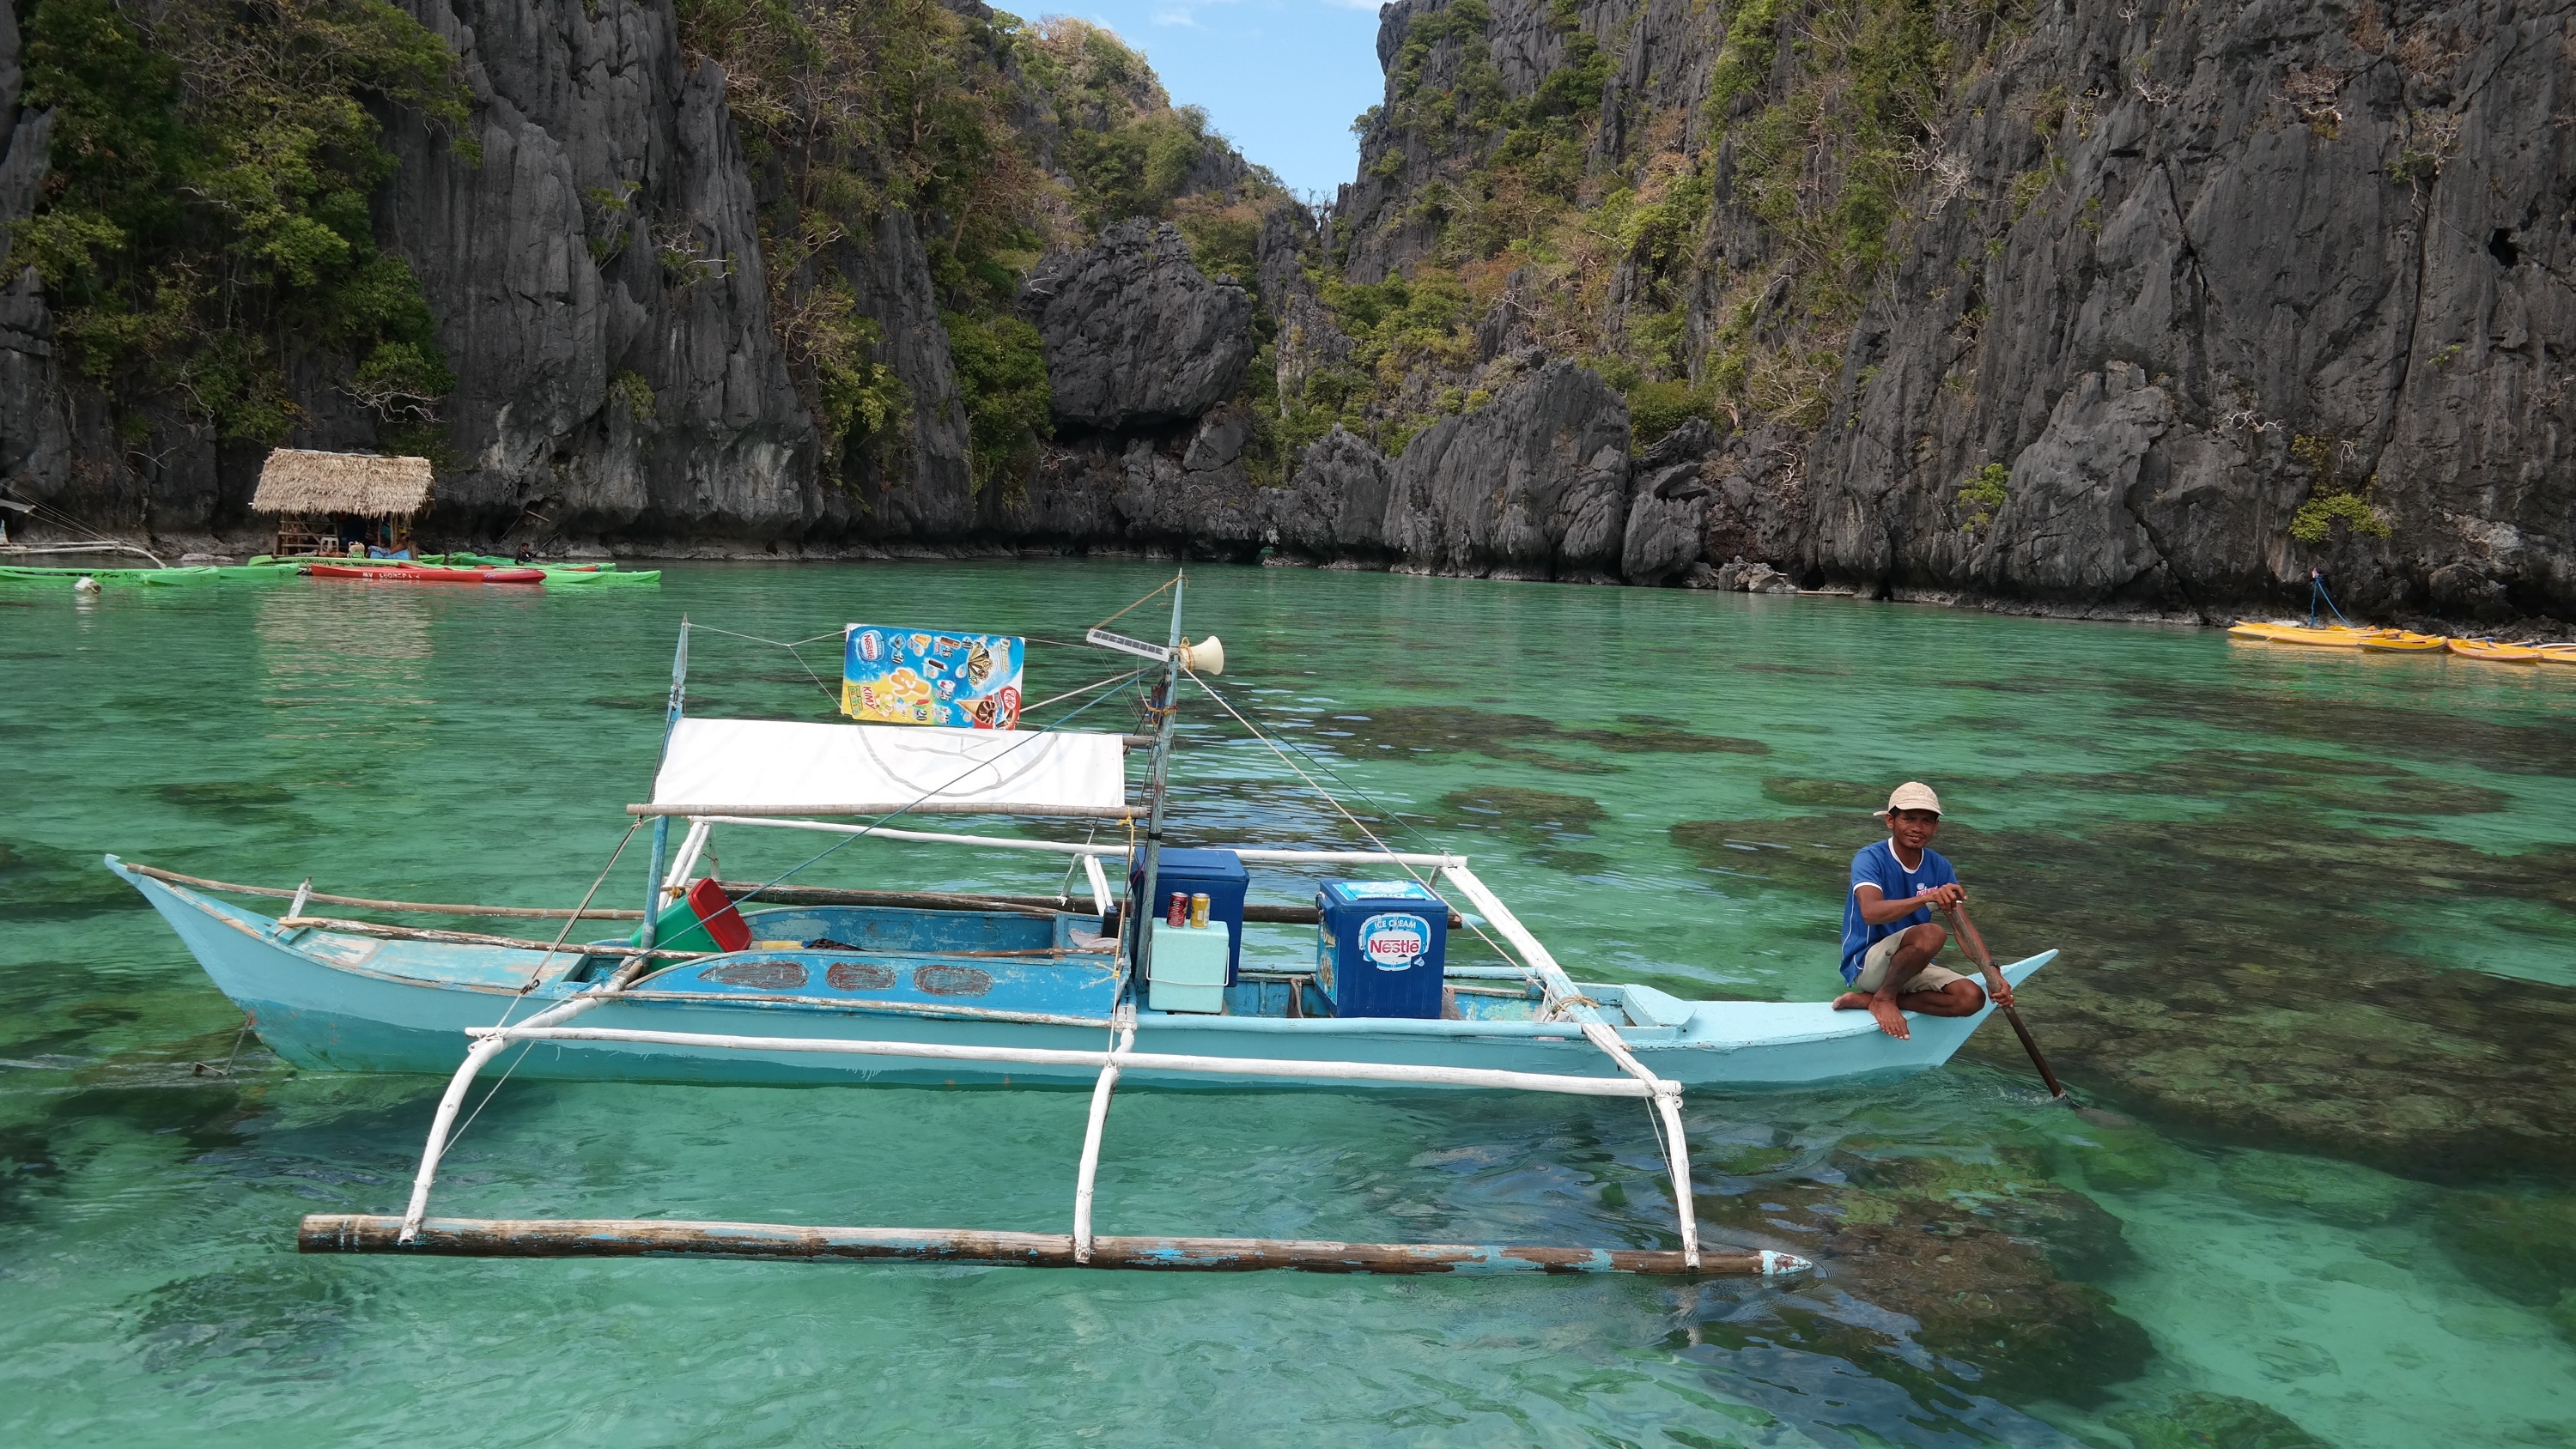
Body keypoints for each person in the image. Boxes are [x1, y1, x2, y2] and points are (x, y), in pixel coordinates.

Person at [1833, 781, 2012, 1040]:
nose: (1918, 828)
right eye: (1909, 819)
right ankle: (1883, 998)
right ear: (1890, 821)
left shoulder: (1940, 866)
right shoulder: (1870, 858)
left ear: (1936, 827)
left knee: (1971, 999)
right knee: (1932, 933)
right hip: (1866, 964)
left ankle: (1873, 1000)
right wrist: (1926, 898)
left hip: (1909, 966)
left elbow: (1963, 928)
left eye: (1927, 821)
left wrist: (1993, 972)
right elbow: (1870, 912)